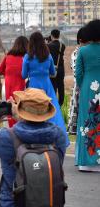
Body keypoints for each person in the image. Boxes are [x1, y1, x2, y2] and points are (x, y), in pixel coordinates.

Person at [22, 31, 69, 142]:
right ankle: (56, 138)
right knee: (52, 112)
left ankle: (35, 138)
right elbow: (52, 72)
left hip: (33, 86)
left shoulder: (28, 57)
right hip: (47, 86)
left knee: (33, 112)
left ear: (31, 42)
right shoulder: (48, 56)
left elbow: (23, 75)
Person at [75, 19, 100, 172]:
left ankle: (86, 161)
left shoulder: (83, 51)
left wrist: (82, 86)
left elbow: (78, 74)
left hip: (88, 88)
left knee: (87, 120)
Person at [0, 36, 28, 127]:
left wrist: (8, 75)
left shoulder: (8, 56)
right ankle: (18, 130)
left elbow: (0, 70)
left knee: (8, 109)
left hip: (7, 86)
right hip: (20, 87)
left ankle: (8, 130)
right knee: (19, 110)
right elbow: (26, 74)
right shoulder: (25, 58)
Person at [67, 26, 89, 135]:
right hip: (81, 85)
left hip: (82, 84)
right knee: (79, 108)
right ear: (81, 40)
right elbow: (76, 71)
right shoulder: (78, 52)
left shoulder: (80, 52)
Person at [47, 29, 66, 106]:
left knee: (53, 85)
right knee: (61, 85)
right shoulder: (62, 45)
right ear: (59, 35)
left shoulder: (48, 46)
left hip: (52, 69)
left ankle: (53, 103)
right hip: (61, 68)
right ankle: (61, 102)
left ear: (51, 35)